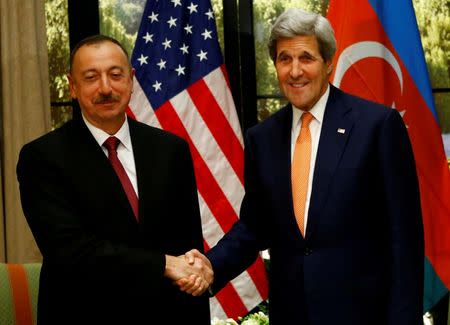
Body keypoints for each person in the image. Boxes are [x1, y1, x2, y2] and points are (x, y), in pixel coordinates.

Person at [181, 8, 424, 325]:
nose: (295, 71)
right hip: (292, 314)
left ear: (328, 65)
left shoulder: (377, 127)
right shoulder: (262, 138)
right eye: (285, 59)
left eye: (306, 58)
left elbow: (404, 240)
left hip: (364, 315)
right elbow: (256, 225)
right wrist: (211, 266)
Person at [16, 35, 211, 324]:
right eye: (91, 77)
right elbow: (71, 251)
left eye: (116, 75)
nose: (106, 88)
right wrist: (164, 264)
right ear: (73, 86)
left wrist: (196, 272)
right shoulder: (42, 158)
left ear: (131, 80)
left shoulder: (171, 150)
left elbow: (188, 251)